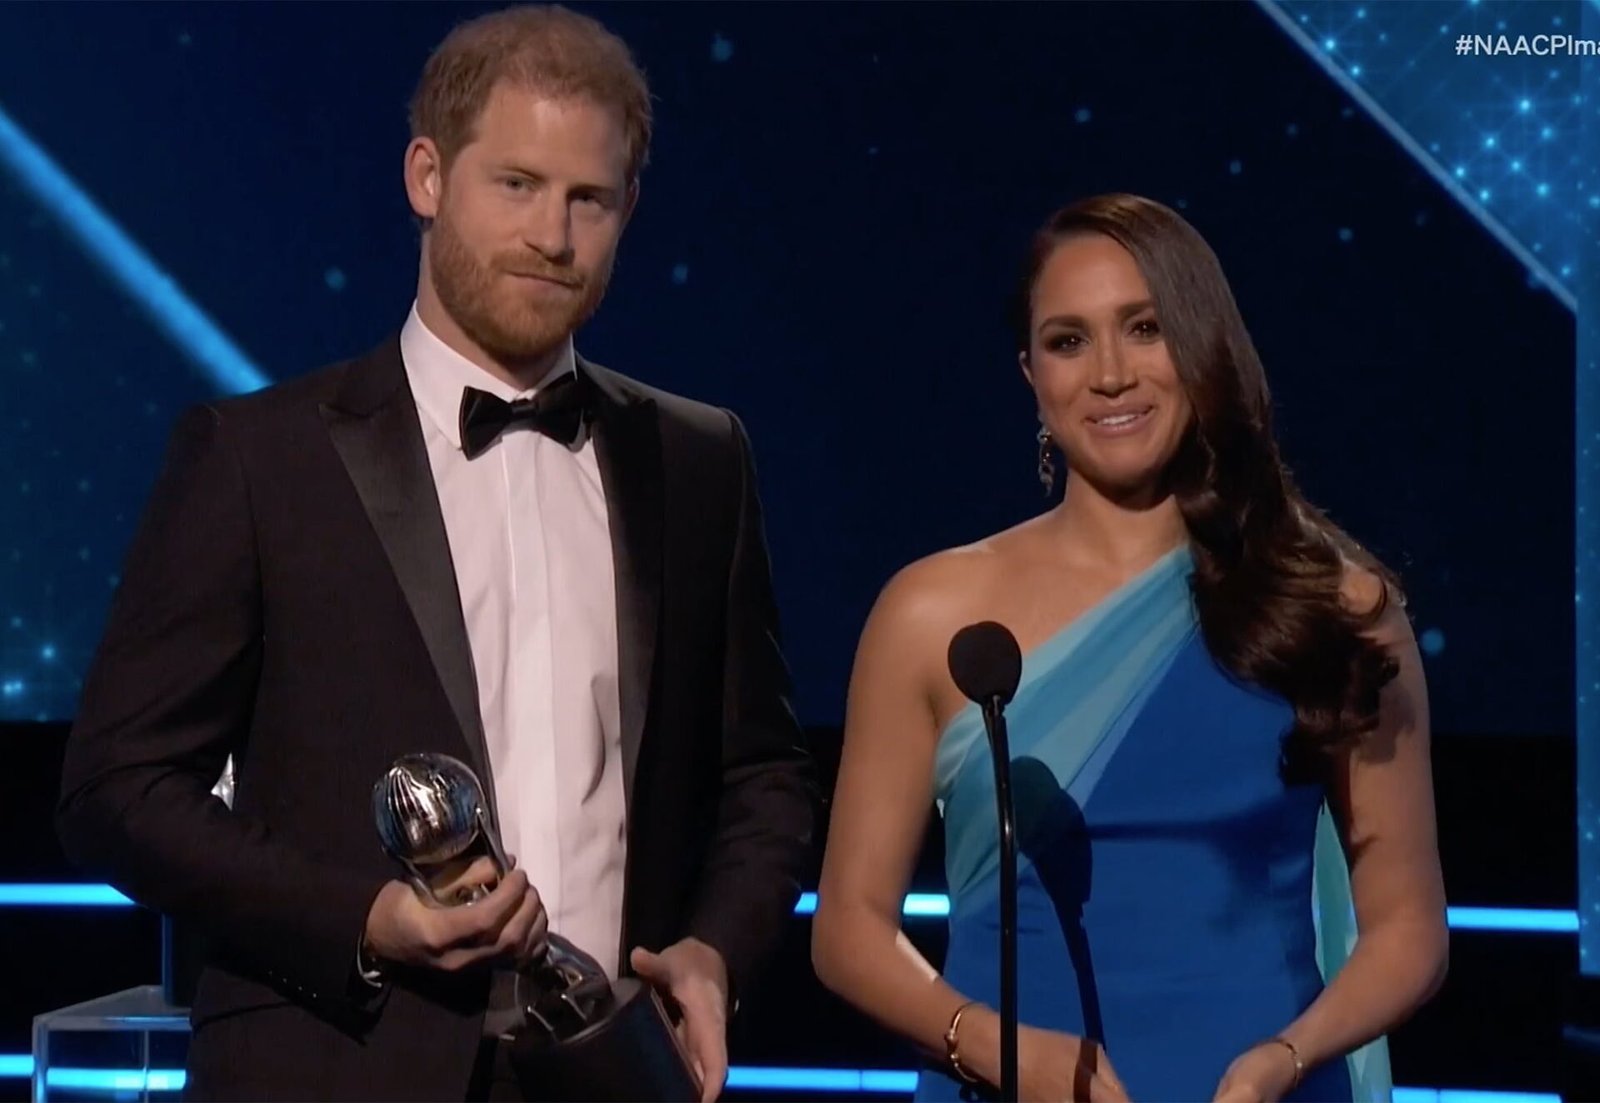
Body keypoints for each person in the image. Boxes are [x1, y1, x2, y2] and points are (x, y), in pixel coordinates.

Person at [56, 6, 814, 1100]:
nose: (553, 236)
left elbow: (764, 776)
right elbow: (116, 789)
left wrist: (714, 949)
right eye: (517, 184)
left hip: (611, 1075)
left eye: (589, 199)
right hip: (334, 1065)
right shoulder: (258, 457)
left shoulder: (699, 459)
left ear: (629, 210)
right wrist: (364, 918)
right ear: (427, 176)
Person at [811, 193, 1447, 1103]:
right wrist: (992, 1046)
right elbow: (848, 929)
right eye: (1069, 341)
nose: (1110, 374)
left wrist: (1288, 1056)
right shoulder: (931, 613)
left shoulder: (1335, 609)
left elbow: (1409, 929)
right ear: (1031, 373)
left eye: (1145, 328)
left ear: (1202, 344)